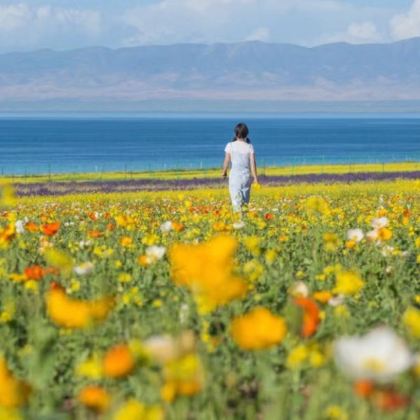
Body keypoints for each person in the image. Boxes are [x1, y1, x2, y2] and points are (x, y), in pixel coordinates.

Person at [222, 123, 258, 212]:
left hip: (235, 177)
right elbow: (253, 164)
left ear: (236, 133)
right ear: (246, 134)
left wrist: (224, 172)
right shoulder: (250, 146)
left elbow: (226, 161)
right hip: (246, 177)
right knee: (245, 203)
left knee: (236, 203)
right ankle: (244, 221)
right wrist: (255, 178)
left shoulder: (230, 145)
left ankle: (238, 223)